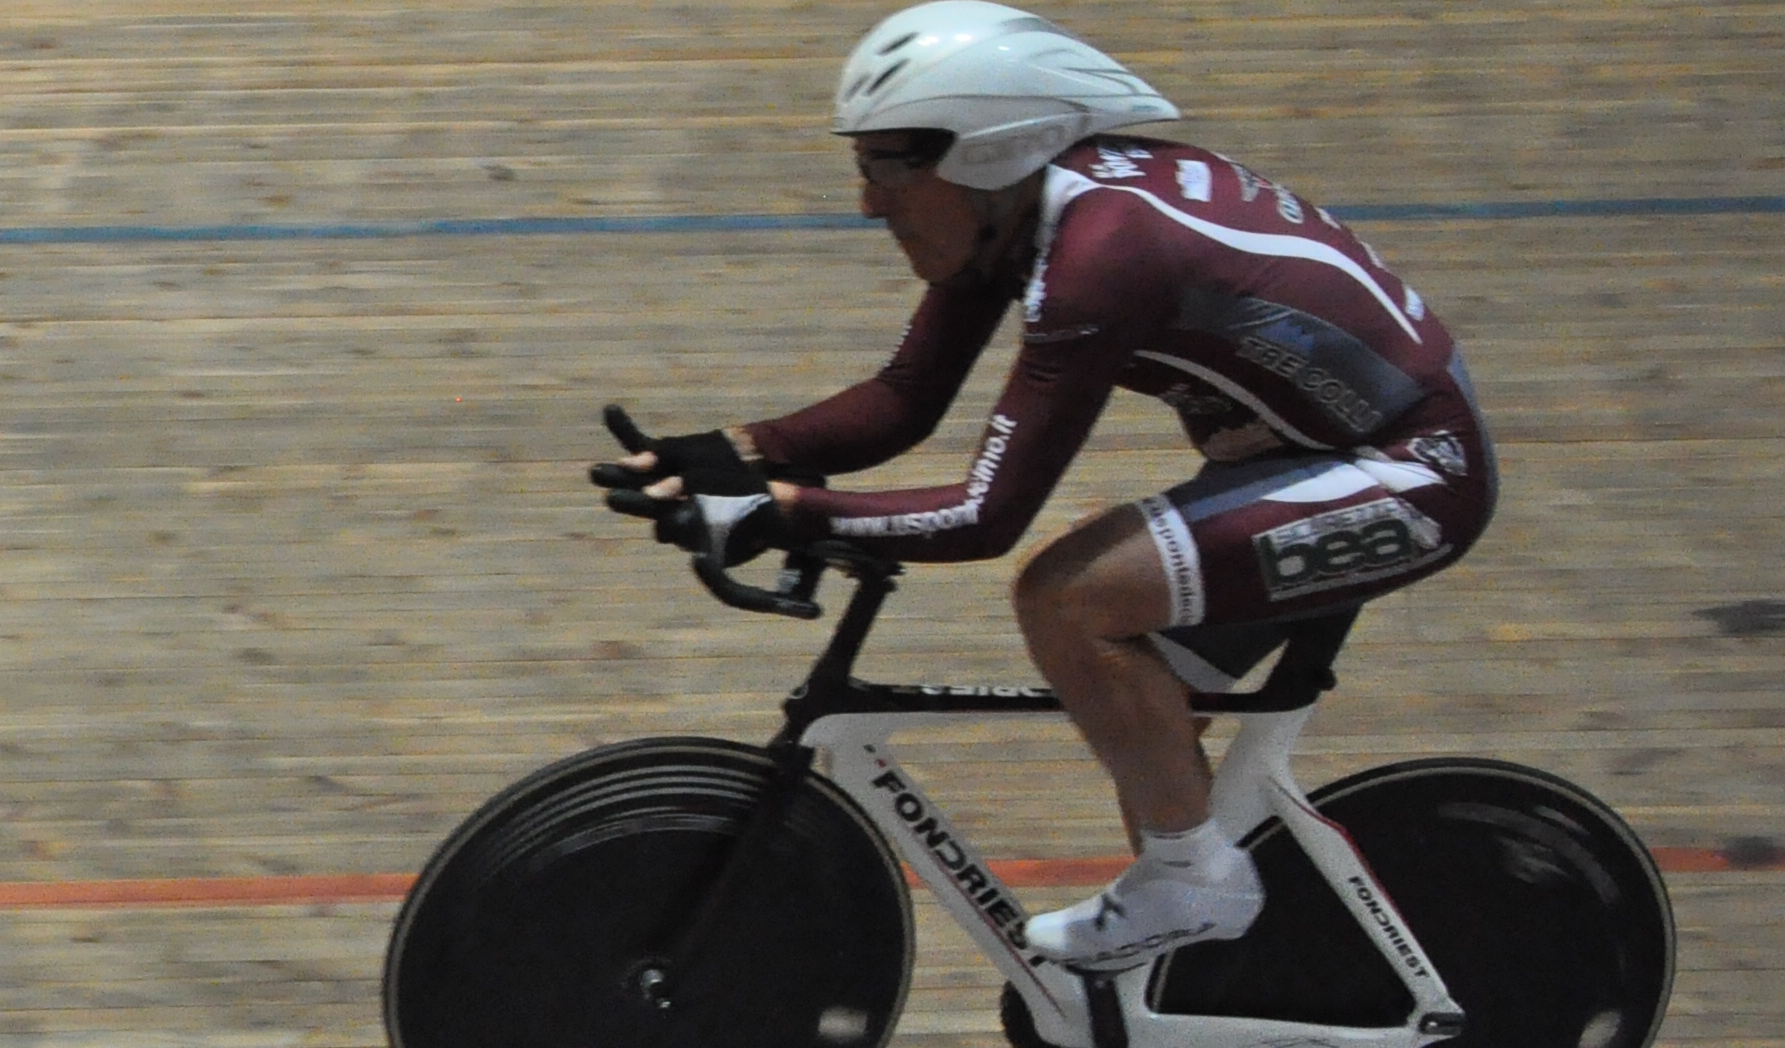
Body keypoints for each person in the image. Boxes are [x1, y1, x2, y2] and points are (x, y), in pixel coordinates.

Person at [595, 0, 1496, 970]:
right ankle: (1186, 976)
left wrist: (791, 511)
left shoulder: (1102, 256)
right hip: (1311, 458)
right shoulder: (1026, 209)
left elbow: (988, 514)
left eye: (884, 169)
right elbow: (904, 400)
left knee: (1066, 598)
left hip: (1410, 474)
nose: (867, 202)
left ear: (983, 153)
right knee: (1146, 717)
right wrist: (732, 451)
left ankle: (1194, 877)